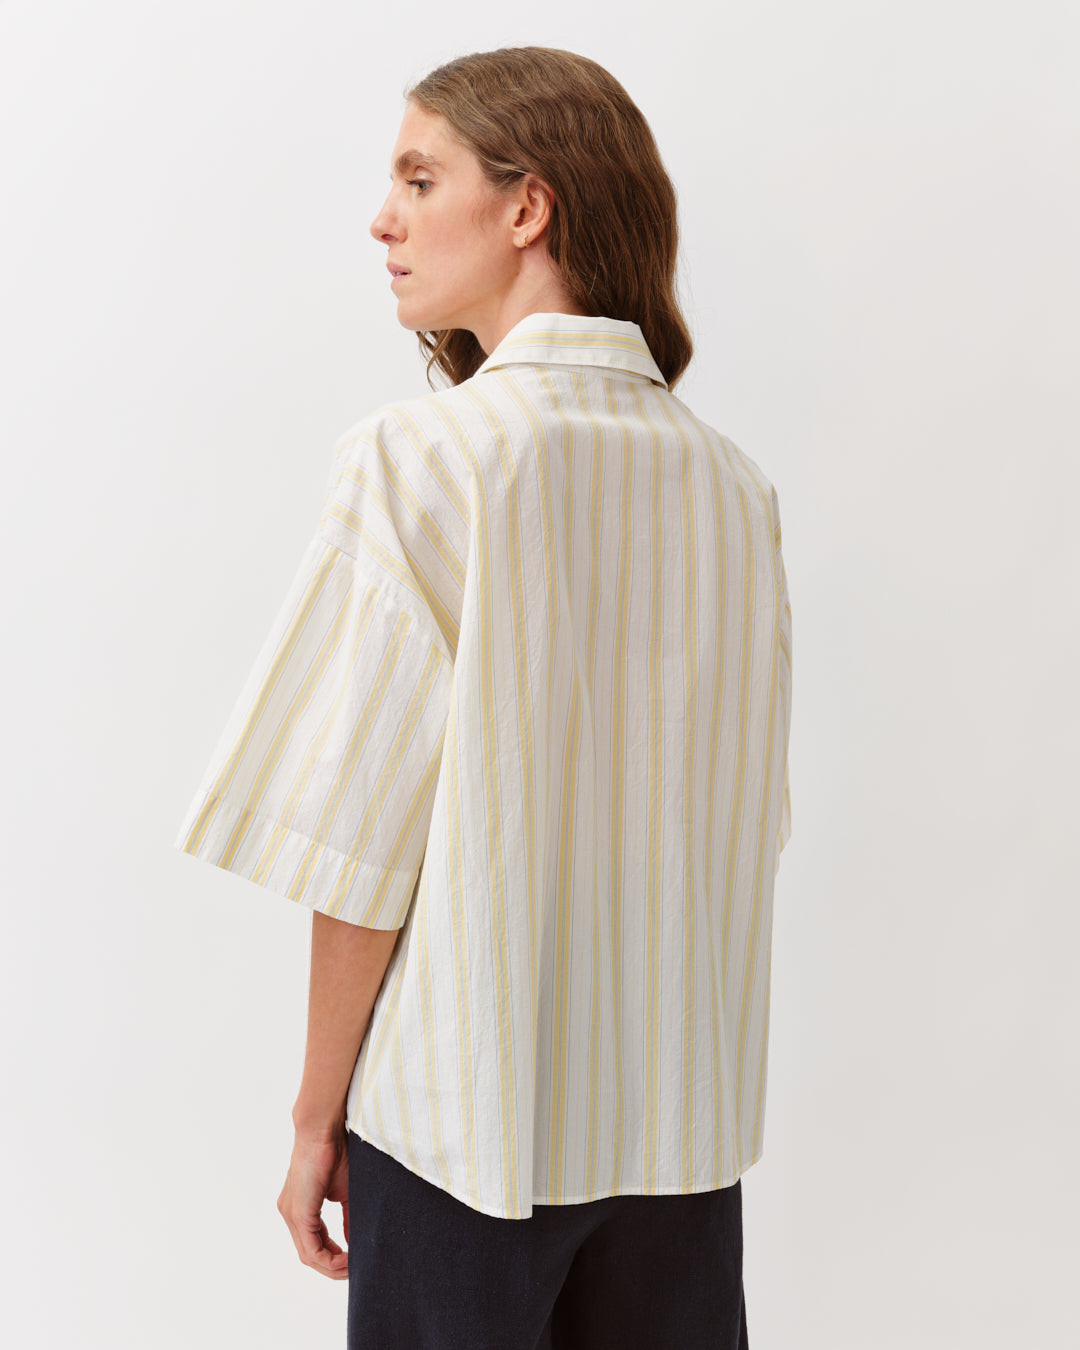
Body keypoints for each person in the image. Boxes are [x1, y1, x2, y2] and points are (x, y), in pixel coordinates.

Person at [174, 44, 792, 1350]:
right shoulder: (731, 485)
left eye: (419, 177)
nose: (382, 219)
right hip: (682, 1134)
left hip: (470, 1129)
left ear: (528, 208)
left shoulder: (426, 459)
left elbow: (359, 842)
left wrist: (316, 1115)